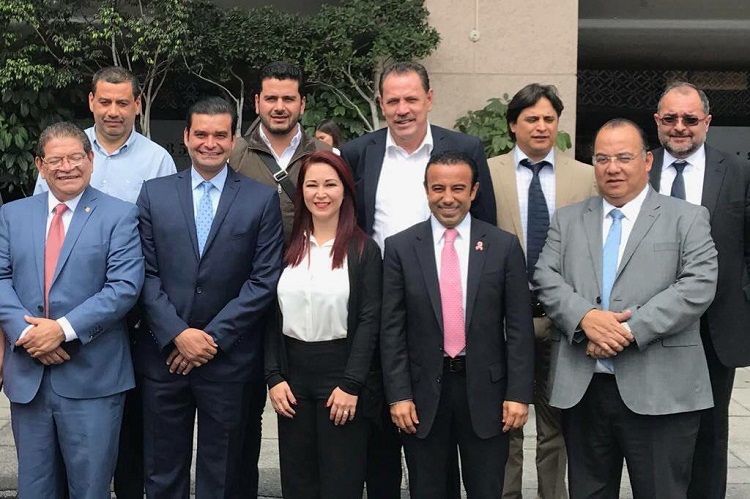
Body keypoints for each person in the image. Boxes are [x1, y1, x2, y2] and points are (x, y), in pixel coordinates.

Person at [534, 119, 719, 498]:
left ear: (647, 161)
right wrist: (585, 318)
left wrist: (626, 331)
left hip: (662, 391)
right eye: (602, 159)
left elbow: (698, 285)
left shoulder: (687, 217)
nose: (612, 168)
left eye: (623, 157)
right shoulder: (567, 219)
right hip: (585, 389)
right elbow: (545, 277)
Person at [341, 61, 497, 497]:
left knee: (442, 429)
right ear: (380, 104)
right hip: (383, 305)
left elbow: (485, 227)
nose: (403, 109)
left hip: (449, 309)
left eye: (411, 99)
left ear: (429, 98)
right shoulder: (358, 153)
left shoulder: (464, 148)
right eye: (393, 100)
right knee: (388, 429)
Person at [33, 65, 176, 499]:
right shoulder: (65, 149)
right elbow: (39, 231)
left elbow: (162, 240)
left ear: (137, 105)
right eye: (105, 101)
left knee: (127, 433)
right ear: (91, 102)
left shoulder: (157, 159)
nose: (114, 111)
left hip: (131, 314)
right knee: (57, 446)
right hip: (56, 318)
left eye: (123, 102)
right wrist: (51, 329)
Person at [135, 97, 283, 498]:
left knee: (224, 474)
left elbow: (263, 280)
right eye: (201, 134)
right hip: (165, 356)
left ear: (234, 139)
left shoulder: (261, 199)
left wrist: (210, 339)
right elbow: (144, 274)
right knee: (163, 472)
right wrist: (177, 334)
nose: (210, 143)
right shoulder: (154, 194)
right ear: (186, 136)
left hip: (229, 361)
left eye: (220, 135)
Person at [0, 122, 144, 498]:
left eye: (75, 157)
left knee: (89, 488)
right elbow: (0, 278)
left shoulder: (120, 215)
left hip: (93, 377)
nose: (67, 167)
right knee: (35, 488)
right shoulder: (12, 215)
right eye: (56, 160)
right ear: (40, 165)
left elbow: (124, 287)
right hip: (29, 376)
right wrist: (28, 334)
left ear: (91, 159)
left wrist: (61, 330)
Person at [380, 151, 535, 498]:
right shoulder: (401, 248)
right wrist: (399, 394)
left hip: (487, 393)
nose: (448, 198)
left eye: (458, 188)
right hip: (422, 396)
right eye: (438, 188)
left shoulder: (503, 246)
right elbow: (391, 330)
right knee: (428, 489)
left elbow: (519, 328)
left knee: (486, 489)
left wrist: (518, 394)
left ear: (474, 191)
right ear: (426, 190)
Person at [488, 83, 597, 499]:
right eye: (531, 118)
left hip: (561, 320)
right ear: (513, 124)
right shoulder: (488, 172)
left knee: (556, 427)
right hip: (505, 321)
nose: (541, 126)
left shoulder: (585, 177)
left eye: (549, 119)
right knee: (507, 422)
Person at [648, 81, 750, 499]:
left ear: (707, 122)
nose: (680, 127)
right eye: (670, 118)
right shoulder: (638, 168)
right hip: (648, 321)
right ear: (657, 121)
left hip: (715, 325)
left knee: (710, 430)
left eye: (690, 119)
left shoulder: (738, 172)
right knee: (652, 427)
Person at [265, 150, 382, 498]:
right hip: (292, 380)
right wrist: (273, 377)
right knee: (298, 483)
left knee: (340, 484)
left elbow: (369, 320)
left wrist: (352, 384)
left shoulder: (363, 250)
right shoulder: (287, 247)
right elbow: (270, 315)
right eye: (312, 185)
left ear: (345, 190)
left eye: (330, 184)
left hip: (340, 379)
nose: (321, 194)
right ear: (301, 191)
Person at [230, 62, 331, 242]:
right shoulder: (233, 154)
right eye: (271, 99)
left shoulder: (326, 155)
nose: (279, 107)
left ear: (302, 104)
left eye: (288, 99)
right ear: (257, 103)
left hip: (308, 257)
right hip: (250, 259)